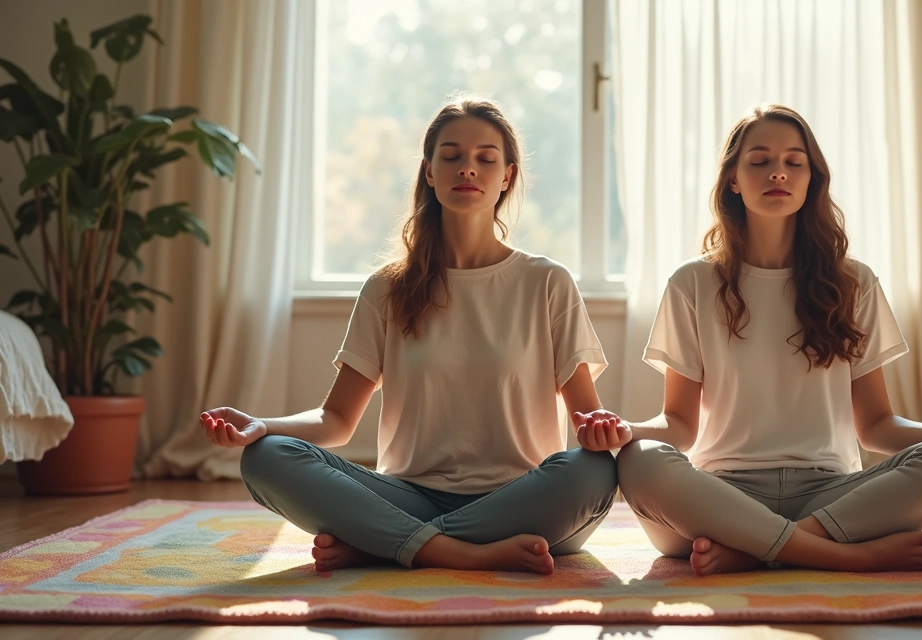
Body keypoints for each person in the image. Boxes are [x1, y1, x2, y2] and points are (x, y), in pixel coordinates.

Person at [577, 104, 922, 576]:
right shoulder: (692, 283)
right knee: (641, 460)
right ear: (734, 181)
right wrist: (625, 431)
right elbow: (680, 426)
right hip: (721, 496)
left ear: (811, 179)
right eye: (759, 161)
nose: (777, 172)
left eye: (793, 162)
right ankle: (848, 556)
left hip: (828, 495)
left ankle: (760, 550)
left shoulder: (854, 283)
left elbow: (877, 426)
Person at [202, 97, 618, 575]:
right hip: (409, 496)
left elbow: (587, 414)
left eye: (486, 159)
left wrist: (602, 430)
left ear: (506, 176)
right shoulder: (387, 288)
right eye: (451, 156)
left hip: (523, 497)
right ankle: (456, 552)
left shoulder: (547, 281)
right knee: (266, 457)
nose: (468, 169)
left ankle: (385, 544)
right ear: (429, 172)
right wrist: (260, 425)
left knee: (595, 468)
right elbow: (337, 419)